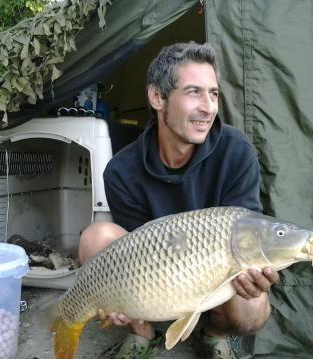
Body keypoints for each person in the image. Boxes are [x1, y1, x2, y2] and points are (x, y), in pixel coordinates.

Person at [78, 42, 279, 359]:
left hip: (216, 276)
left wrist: (256, 273)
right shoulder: (121, 170)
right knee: (96, 238)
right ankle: (143, 334)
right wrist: (115, 300)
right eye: (193, 92)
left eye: (213, 93)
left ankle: (213, 335)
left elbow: (247, 235)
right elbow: (133, 252)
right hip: (156, 278)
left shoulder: (237, 151)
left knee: (252, 308)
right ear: (158, 97)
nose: (208, 106)